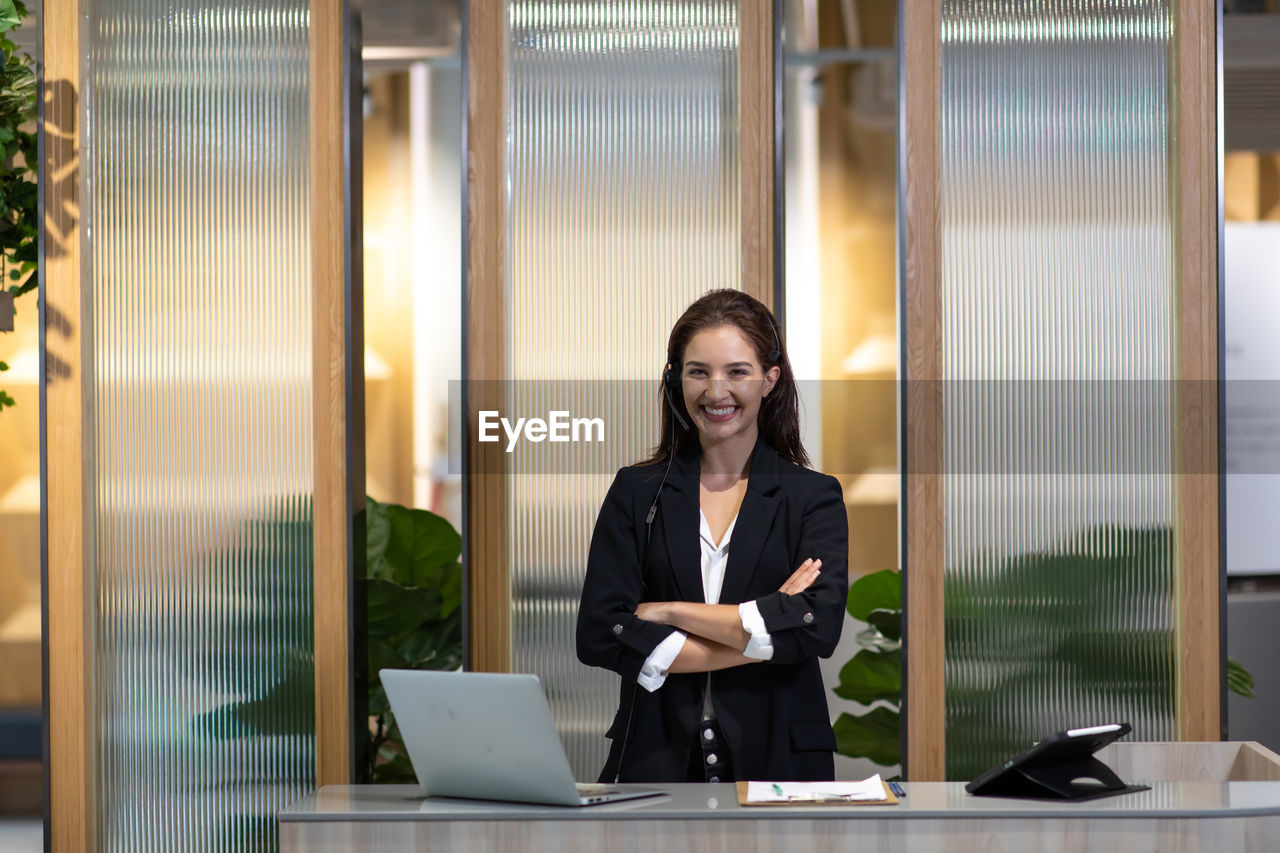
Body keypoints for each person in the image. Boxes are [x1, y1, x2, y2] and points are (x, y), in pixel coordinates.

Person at [576, 289, 849, 784]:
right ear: (676, 380)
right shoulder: (636, 492)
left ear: (770, 379)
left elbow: (816, 628)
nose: (715, 390)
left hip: (782, 763)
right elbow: (599, 632)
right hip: (654, 757)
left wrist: (669, 611)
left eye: (737, 372)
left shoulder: (813, 496)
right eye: (698, 371)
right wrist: (764, 628)